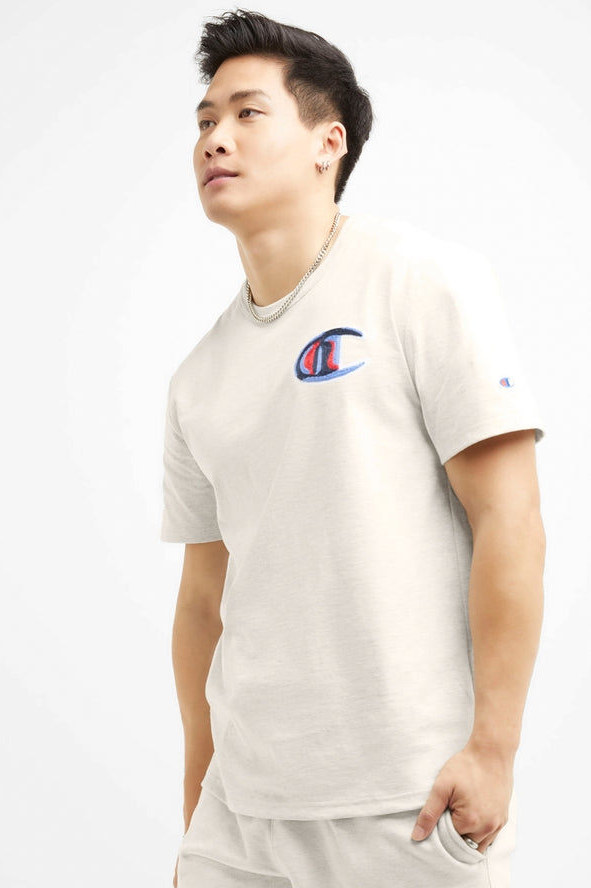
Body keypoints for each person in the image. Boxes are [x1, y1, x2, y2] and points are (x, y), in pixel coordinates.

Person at [161, 9, 545, 888]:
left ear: (327, 142)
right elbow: (203, 603)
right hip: (241, 818)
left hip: (406, 801)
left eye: (247, 113)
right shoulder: (197, 378)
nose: (216, 137)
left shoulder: (420, 280)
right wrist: (197, 806)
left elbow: (510, 518)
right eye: (205, 120)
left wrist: (494, 749)